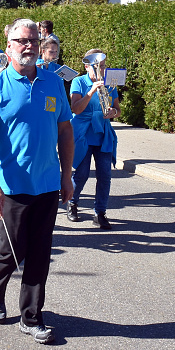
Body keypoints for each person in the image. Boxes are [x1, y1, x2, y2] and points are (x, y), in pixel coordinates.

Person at [0, 18, 74, 345]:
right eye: (22, 41)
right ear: (9, 46)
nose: (29, 45)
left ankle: (32, 318)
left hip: (46, 185)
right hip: (11, 188)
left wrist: (66, 175)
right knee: (12, 251)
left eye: (33, 40)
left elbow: (65, 130)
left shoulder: (53, 83)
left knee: (40, 254)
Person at [67, 49, 121, 230]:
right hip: (82, 131)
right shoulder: (78, 82)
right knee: (81, 174)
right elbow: (75, 109)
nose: (101, 70)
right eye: (97, 66)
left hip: (103, 132)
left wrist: (114, 112)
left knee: (105, 175)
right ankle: (72, 203)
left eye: (104, 66)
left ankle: (100, 212)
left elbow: (117, 109)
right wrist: (91, 91)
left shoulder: (111, 84)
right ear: (86, 66)